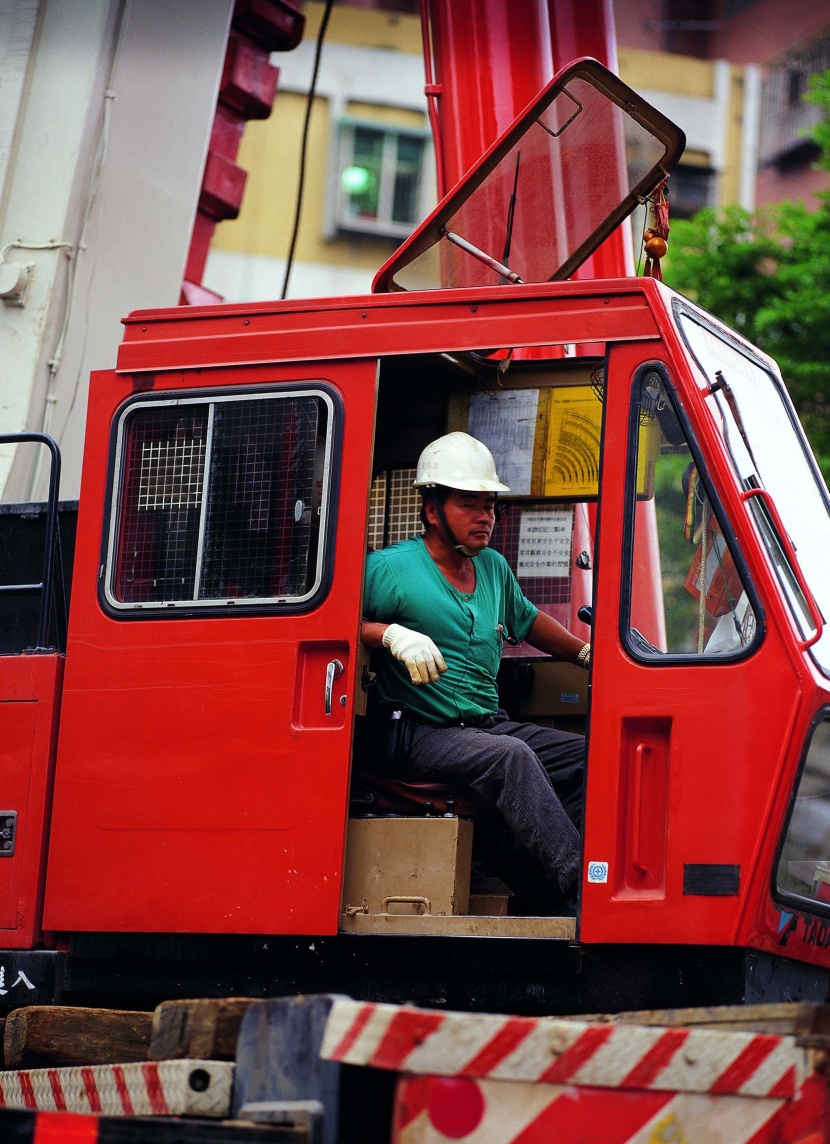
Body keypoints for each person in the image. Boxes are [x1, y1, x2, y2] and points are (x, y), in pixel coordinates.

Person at [360, 431, 589, 905]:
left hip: (485, 725)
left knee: (589, 758)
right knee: (511, 757)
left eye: (490, 506)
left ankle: (542, 888)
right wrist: (389, 635)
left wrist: (588, 655)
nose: (485, 518)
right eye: (470, 505)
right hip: (415, 731)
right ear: (432, 510)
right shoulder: (388, 569)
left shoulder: (492, 568)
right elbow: (335, 624)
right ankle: (582, 891)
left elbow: (528, 620)